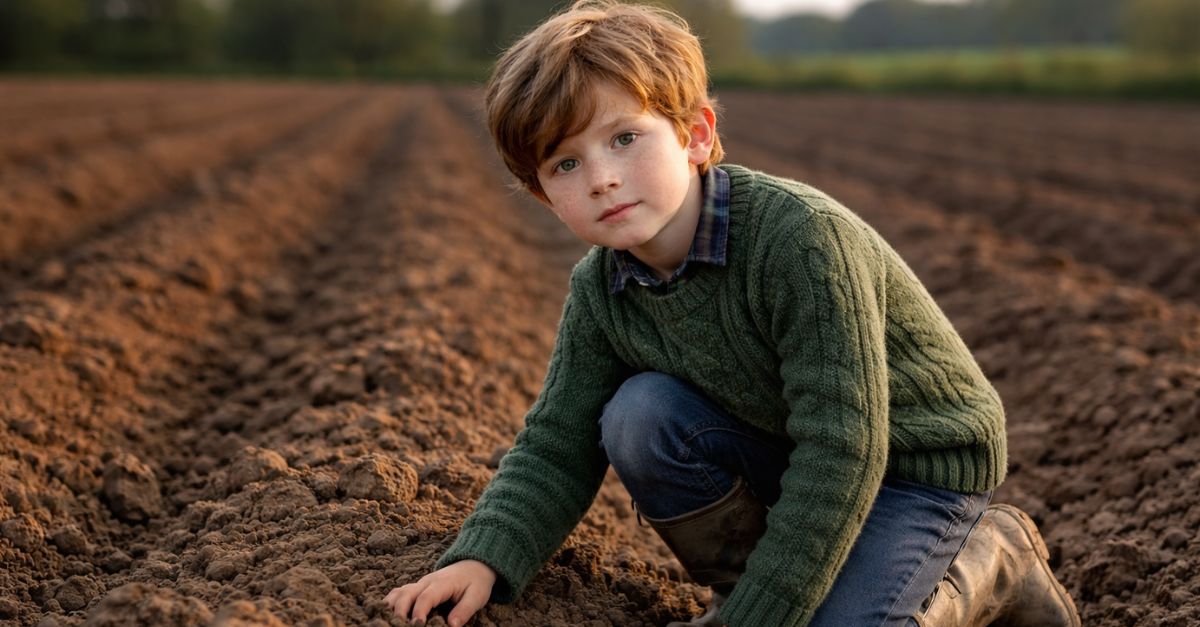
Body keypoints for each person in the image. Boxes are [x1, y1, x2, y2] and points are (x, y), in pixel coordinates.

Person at [383, 2, 1081, 625]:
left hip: (913, 465)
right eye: (564, 164)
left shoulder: (800, 241)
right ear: (540, 192)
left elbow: (843, 449)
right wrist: (483, 557)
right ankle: (751, 588)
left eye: (625, 138)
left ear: (693, 134)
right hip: (785, 443)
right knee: (638, 413)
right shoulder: (601, 288)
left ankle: (994, 557)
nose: (601, 177)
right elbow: (557, 440)